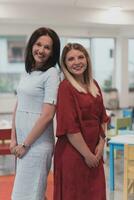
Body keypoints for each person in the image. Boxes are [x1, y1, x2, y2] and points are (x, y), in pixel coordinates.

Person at [54, 43, 110, 200]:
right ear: (65, 64)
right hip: (74, 154)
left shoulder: (94, 85)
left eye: (80, 57)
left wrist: (100, 145)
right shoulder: (65, 88)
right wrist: (88, 155)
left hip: (94, 152)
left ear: (87, 59)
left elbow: (102, 118)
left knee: (95, 194)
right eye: (70, 59)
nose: (76, 62)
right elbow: (70, 128)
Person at [10, 27, 60, 200]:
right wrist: (14, 138)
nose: (41, 50)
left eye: (47, 47)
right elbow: (18, 106)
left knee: (27, 195)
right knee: (31, 194)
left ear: (53, 52)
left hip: (36, 145)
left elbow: (47, 115)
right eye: (38, 44)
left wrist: (25, 145)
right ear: (32, 45)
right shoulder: (28, 71)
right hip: (23, 143)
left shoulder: (52, 74)